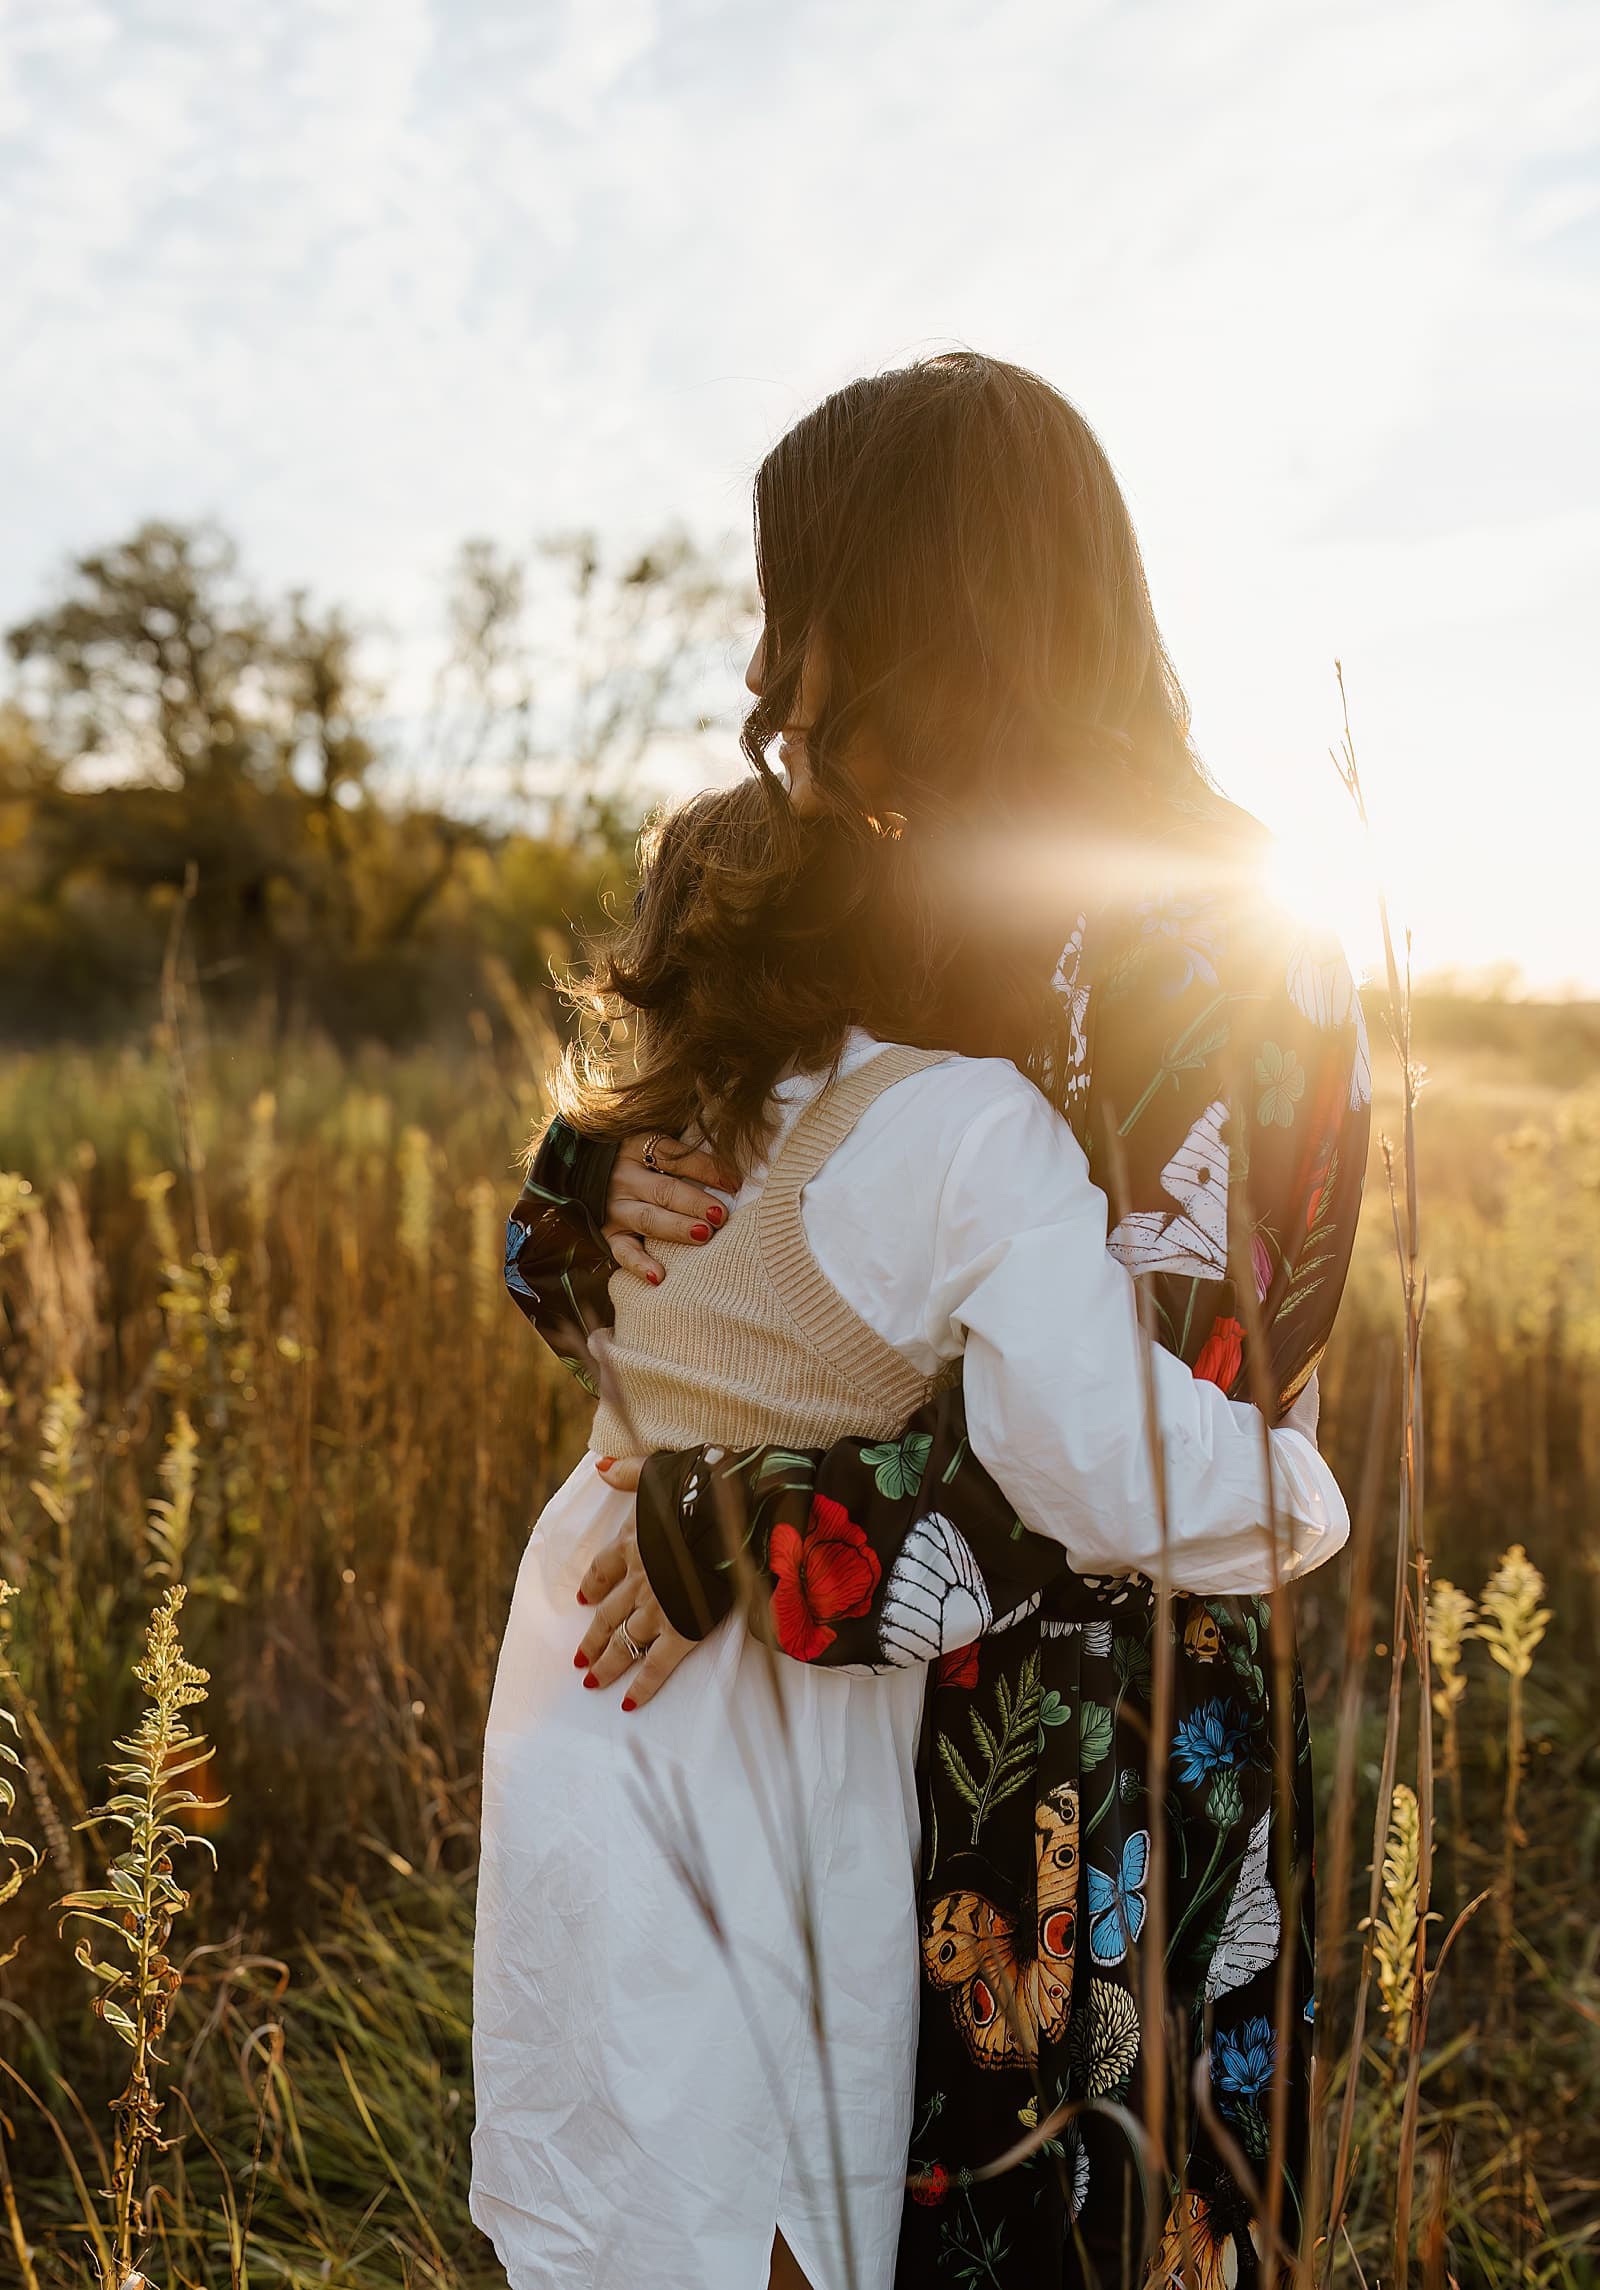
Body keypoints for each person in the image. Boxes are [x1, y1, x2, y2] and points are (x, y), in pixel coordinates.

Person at [487, 353, 1370, 2290]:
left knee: (1092, 2225)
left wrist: (766, 1529)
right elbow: (745, 1155)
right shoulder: (884, 887)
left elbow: (1132, 1448)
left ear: (925, 616)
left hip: (1089, 1777)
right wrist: (582, 1189)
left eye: (800, 611)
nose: (767, 676)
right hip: (860, 1764)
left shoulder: (1224, 961)